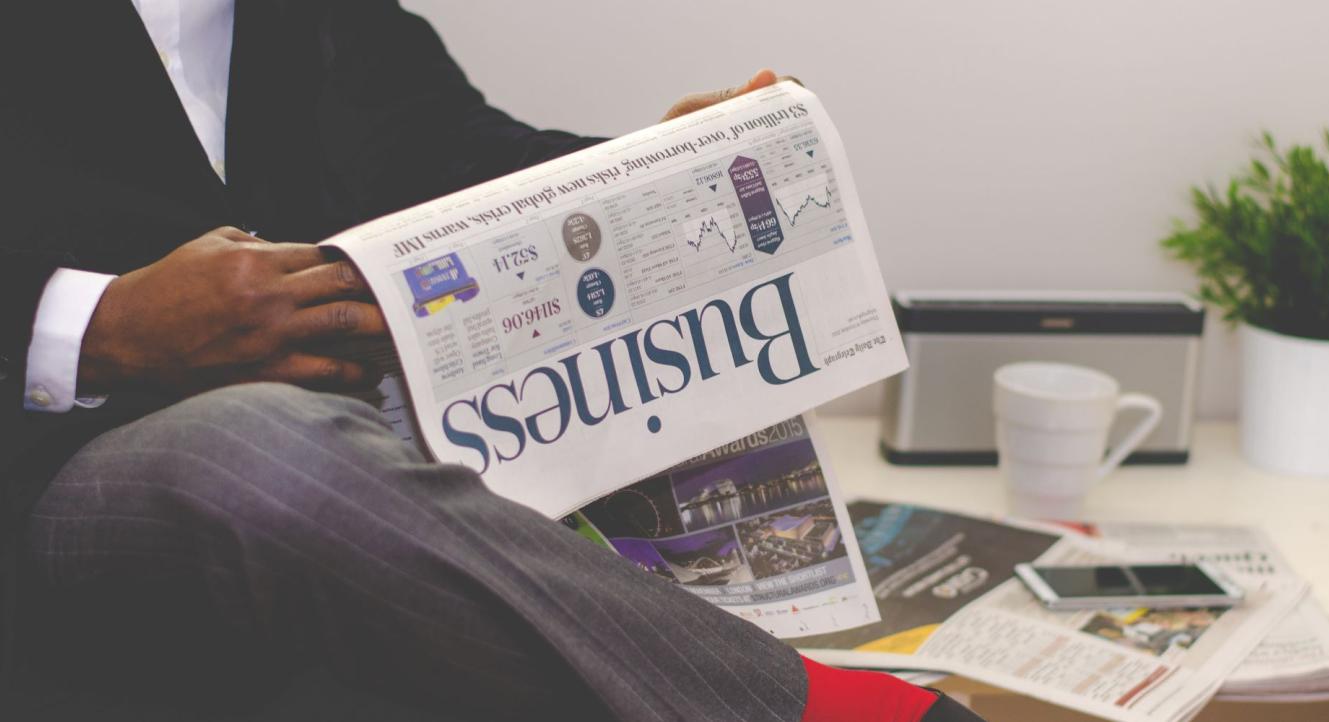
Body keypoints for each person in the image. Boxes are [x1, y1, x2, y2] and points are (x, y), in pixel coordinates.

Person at [0, 2, 983, 720]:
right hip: (57, 473)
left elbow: (440, 150)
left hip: (359, 462)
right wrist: (95, 326)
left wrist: (640, 172)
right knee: (256, 450)